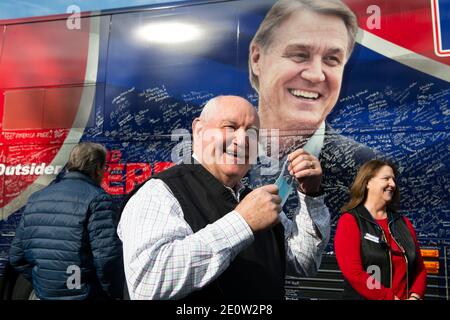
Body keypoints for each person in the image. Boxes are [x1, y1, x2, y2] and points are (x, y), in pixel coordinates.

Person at [118, 95, 330, 300]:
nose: (242, 139)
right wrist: (242, 223)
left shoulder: (255, 200)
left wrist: (310, 195)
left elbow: (304, 263)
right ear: (199, 130)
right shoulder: (160, 193)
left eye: (252, 132)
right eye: (230, 127)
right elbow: (148, 285)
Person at [247, 0, 377, 223]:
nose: (316, 75)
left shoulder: (366, 167)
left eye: (332, 59)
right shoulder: (222, 157)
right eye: (299, 54)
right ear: (257, 59)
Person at [9, 142, 124, 300]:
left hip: (44, 294)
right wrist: (114, 293)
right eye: (104, 168)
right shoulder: (98, 199)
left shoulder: (36, 198)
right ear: (97, 169)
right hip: (84, 294)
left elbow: (16, 257)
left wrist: (43, 283)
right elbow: (107, 258)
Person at [334, 160, 427, 300]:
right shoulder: (350, 221)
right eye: (386, 179)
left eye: (394, 180)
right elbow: (354, 273)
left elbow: (419, 269)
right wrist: (389, 298)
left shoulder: (404, 223)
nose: (393, 184)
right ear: (368, 183)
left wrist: (415, 297)